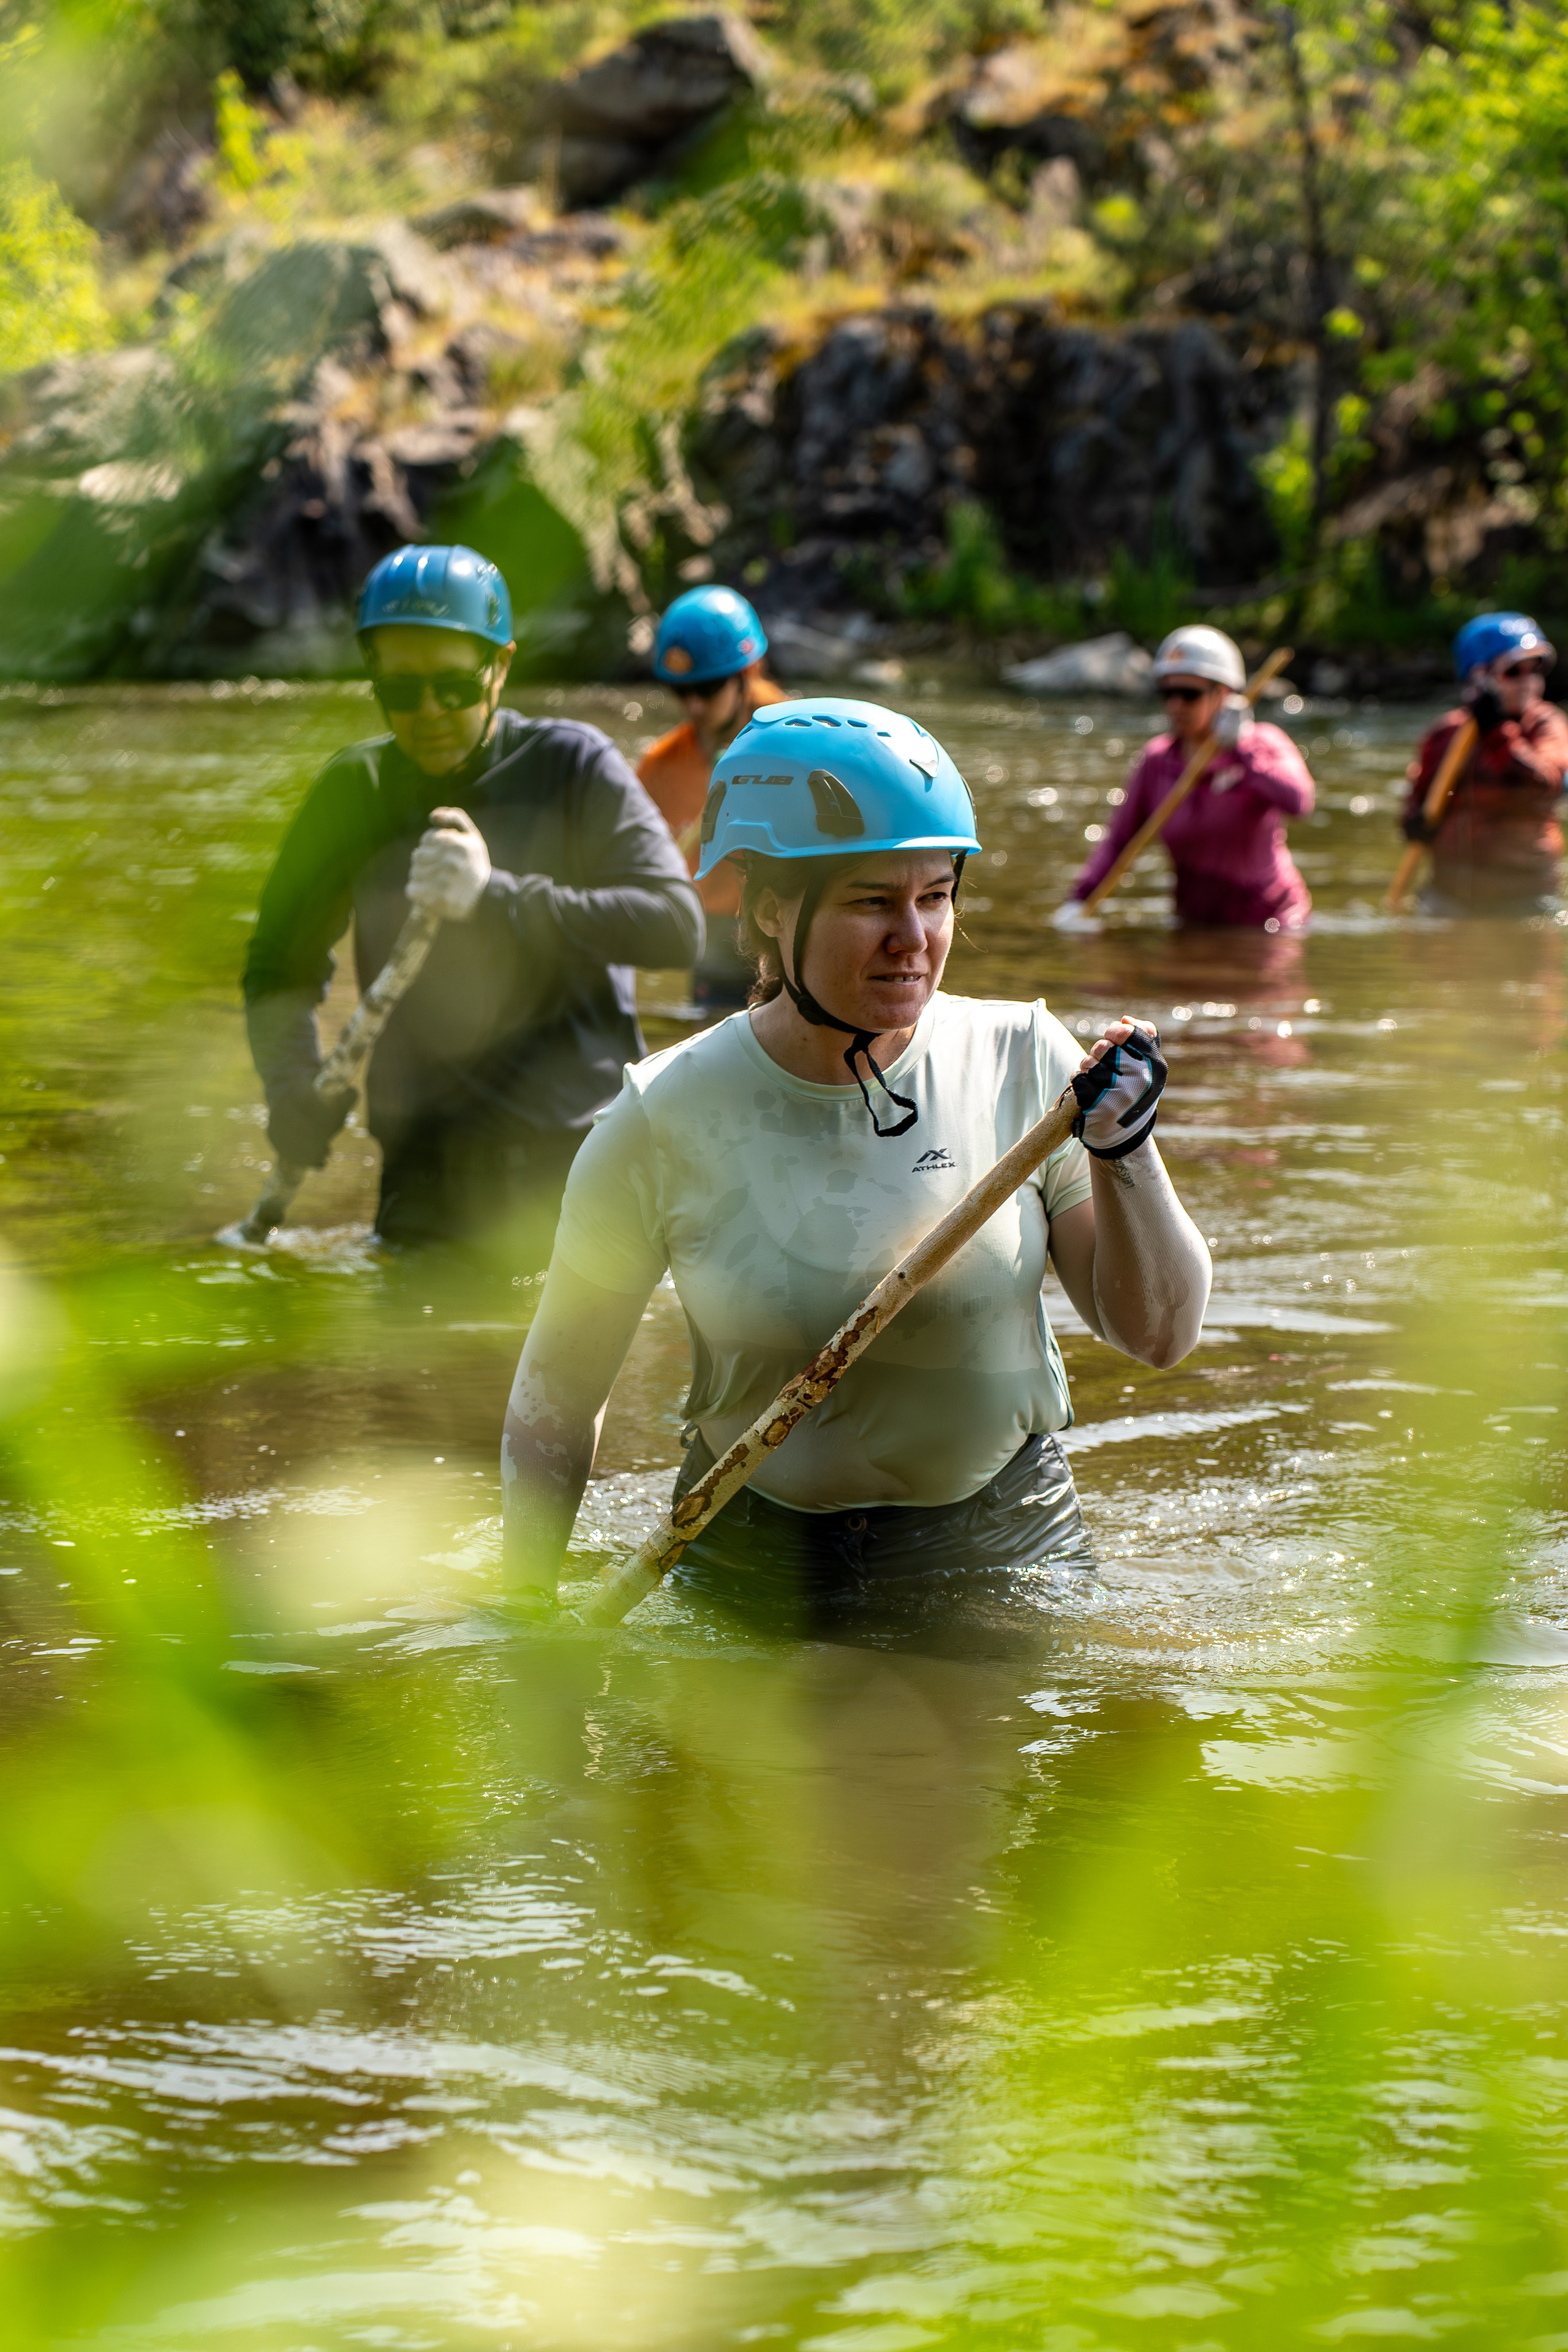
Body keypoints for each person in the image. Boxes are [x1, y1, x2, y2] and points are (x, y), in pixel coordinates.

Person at [501, 698, 1212, 1649]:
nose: (912, 937)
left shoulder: (1026, 1061)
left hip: (1002, 1555)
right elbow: (556, 1397)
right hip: (748, 1563)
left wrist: (1127, 1151)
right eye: (871, 901)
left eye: (936, 896)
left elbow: (1160, 1334)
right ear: (769, 909)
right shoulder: (662, 1114)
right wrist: (526, 1610)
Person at [243, 544, 703, 1255]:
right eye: (401, 690)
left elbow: (674, 927)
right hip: (424, 1171)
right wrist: (291, 1087)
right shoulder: (353, 792)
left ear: (501, 666)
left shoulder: (572, 767)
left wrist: (496, 897)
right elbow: (279, 964)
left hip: (577, 1160)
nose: (428, 711)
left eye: (454, 686)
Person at [1060, 625, 1314, 930]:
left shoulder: (1264, 744)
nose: (1176, 705)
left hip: (1269, 926)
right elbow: (1119, 841)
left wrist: (1243, 748)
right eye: (1167, 693)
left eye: (1189, 694)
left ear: (1224, 695)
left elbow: (1299, 802)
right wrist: (1080, 899)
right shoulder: (1156, 761)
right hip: (1194, 925)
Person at [637, 585, 787, 1010]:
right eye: (681, 691)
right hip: (717, 937)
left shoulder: (797, 741)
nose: (695, 707)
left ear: (750, 671)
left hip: (791, 932)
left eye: (707, 688)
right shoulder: (660, 767)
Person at [1401, 612, 1568, 915]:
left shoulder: (1546, 725)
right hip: (1450, 893)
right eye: (1514, 671)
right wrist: (1414, 819)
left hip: (1522, 895)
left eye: (1536, 670)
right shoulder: (1446, 733)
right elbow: (1421, 794)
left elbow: (1544, 783)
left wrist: (1497, 732)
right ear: (1479, 676)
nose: (1529, 682)